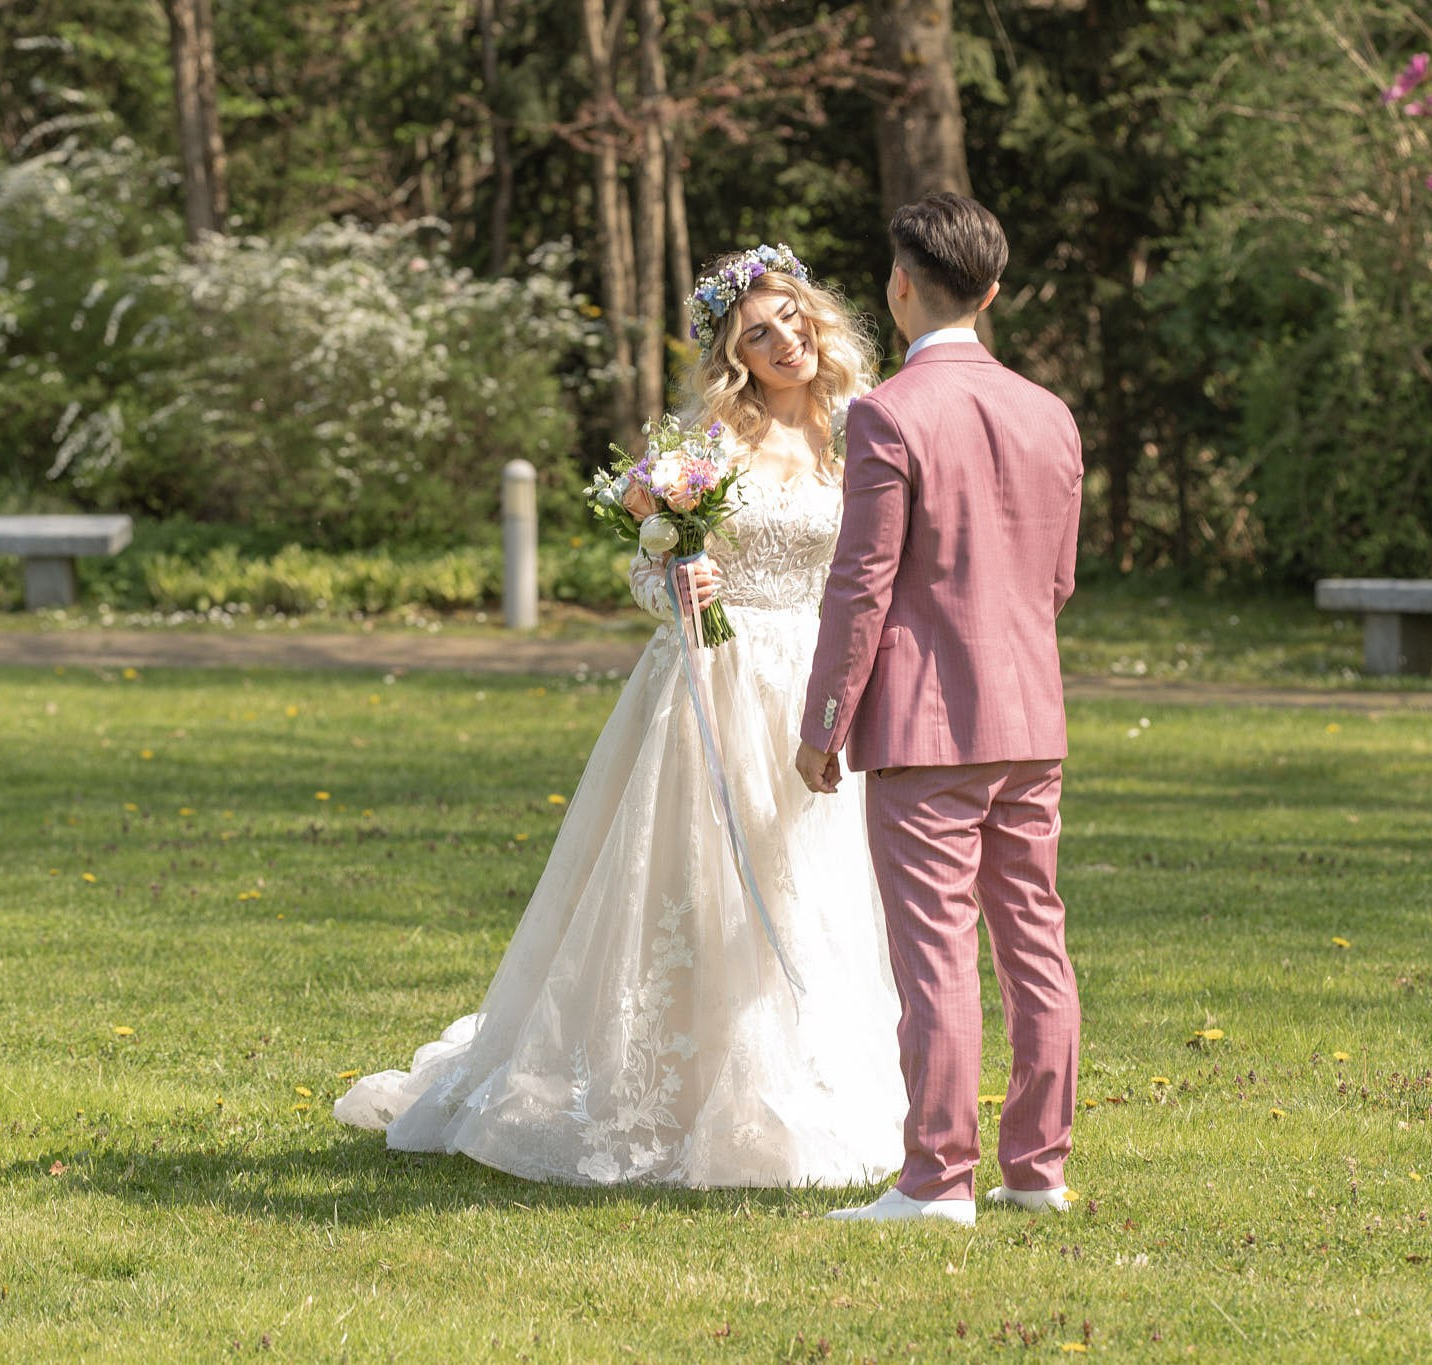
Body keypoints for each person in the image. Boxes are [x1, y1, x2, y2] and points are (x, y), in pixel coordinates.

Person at [334, 244, 906, 1188]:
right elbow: (650, 566)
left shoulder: (861, 430)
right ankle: (685, 1083)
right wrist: (676, 577)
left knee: (819, 873)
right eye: (757, 334)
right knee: (710, 877)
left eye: (791, 318)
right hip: (717, 679)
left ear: (815, 316)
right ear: (737, 355)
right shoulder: (714, 443)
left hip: (820, 675)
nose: (783, 340)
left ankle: (826, 1069)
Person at [796, 193, 1085, 1227]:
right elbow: (1053, 581)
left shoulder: (887, 413)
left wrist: (824, 721)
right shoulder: (1049, 411)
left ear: (899, 285)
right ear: (994, 292)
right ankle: (1037, 1171)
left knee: (936, 958)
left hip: (925, 729)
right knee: (1034, 944)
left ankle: (933, 1181)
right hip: (1030, 720)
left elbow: (860, 585)